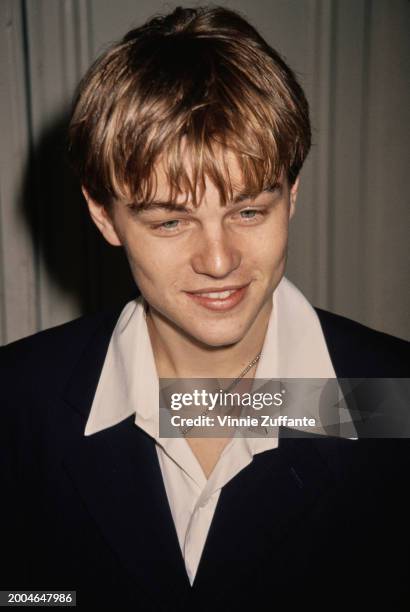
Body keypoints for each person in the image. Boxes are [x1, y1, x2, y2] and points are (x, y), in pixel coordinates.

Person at [1, 6, 409, 611]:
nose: (218, 261)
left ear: (291, 194)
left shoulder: (392, 395)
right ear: (103, 215)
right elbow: (24, 596)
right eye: (170, 221)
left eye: (249, 211)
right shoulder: (16, 399)